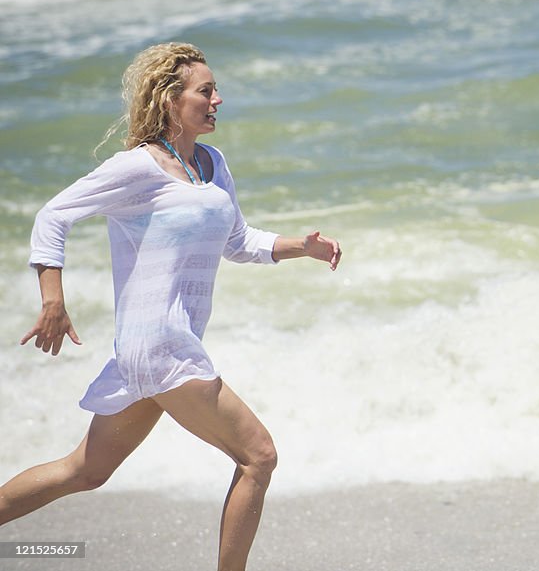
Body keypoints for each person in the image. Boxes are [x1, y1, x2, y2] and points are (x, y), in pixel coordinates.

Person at [0, 42, 341, 571]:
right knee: (258, 456)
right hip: (160, 347)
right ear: (170, 99)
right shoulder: (138, 168)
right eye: (206, 91)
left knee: (84, 472)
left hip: (158, 348)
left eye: (215, 90)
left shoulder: (210, 163)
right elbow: (53, 215)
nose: (217, 99)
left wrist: (303, 246)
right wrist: (53, 300)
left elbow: (238, 240)